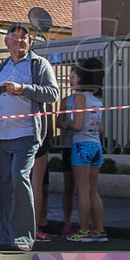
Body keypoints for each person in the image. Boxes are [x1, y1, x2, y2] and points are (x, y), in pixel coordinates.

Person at [0, 24, 60, 252]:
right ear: (6, 41)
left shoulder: (39, 65)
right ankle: (6, 238)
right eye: (14, 36)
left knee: (19, 178)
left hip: (26, 133)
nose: (18, 41)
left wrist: (23, 88)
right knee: (2, 186)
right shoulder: (1, 67)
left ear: (30, 42)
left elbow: (53, 93)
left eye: (23, 37)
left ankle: (24, 238)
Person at [56, 58, 106, 243]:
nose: (71, 79)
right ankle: (99, 230)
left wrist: (66, 124)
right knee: (93, 190)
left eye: (74, 75)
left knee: (83, 191)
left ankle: (84, 229)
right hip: (96, 145)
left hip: (81, 144)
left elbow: (77, 125)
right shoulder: (97, 99)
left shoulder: (79, 97)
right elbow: (101, 129)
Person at [56, 88, 77, 238]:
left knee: (85, 188)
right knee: (68, 187)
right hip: (68, 146)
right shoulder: (66, 101)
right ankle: (67, 223)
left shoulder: (93, 100)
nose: (72, 80)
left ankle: (87, 225)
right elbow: (58, 121)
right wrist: (63, 124)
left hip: (83, 146)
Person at [31, 120, 53, 241]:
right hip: (38, 132)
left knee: (28, 184)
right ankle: (34, 228)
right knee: (36, 185)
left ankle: (33, 226)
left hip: (17, 133)